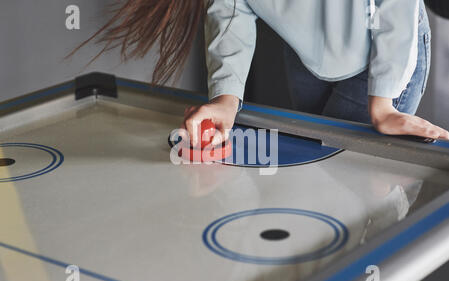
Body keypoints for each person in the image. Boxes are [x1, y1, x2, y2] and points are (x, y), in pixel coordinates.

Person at [71, 0, 449, 147]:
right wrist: (224, 99)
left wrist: (382, 105)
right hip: (305, 51)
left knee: (361, 188)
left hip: (384, 49)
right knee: (316, 166)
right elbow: (231, 9)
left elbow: (394, 9)